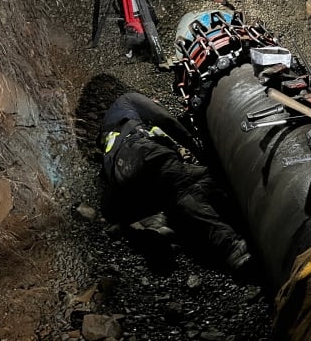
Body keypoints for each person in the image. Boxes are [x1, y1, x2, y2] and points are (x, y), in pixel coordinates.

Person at [98, 92, 250, 271]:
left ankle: (164, 224)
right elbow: (163, 118)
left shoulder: (109, 130)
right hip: (145, 158)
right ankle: (231, 247)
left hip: (124, 183)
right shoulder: (127, 99)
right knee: (186, 189)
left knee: (184, 188)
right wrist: (193, 144)